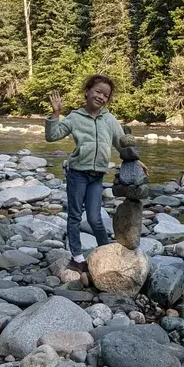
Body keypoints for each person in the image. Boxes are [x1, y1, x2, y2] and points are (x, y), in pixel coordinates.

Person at [45, 74, 141, 264]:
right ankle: (77, 255)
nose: (101, 97)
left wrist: (136, 162)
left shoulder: (109, 119)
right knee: (74, 216)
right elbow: (52, 136)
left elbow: (122, 144)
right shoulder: (75, 117)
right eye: (98, 91)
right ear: (87, 91)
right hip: (77, 174)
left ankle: (105, 250)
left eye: (106, 95)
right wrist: (56, 114)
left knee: (95, 218)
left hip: (97, 177)